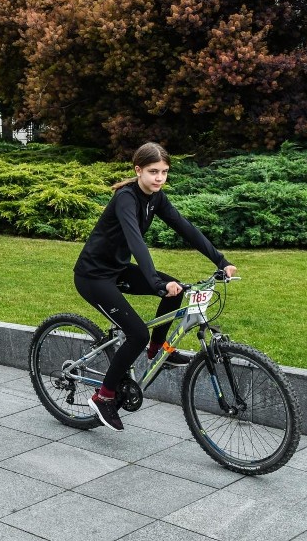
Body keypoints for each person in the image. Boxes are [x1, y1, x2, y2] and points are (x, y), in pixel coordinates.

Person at [74, 142, 237, 432]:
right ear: (138, 170)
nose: (159, 178)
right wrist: (156, 283)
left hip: (118, 270)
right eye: (153, 172)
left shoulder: (156, 198)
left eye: (164, 172)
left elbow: (185, 227)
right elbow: (136, 241)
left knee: (181, 290)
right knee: (135, 333)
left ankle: (158, 348)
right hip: (94, 276)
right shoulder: (126, 198)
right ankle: (103, 397)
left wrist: (221, 261)